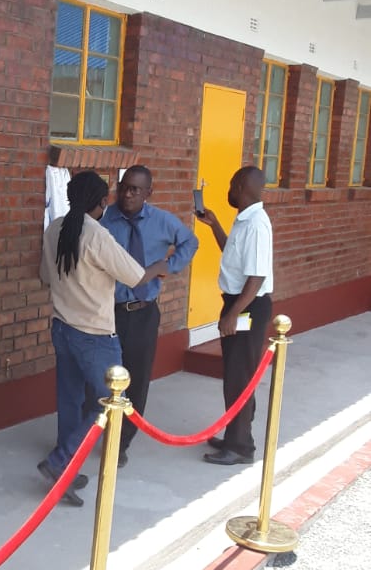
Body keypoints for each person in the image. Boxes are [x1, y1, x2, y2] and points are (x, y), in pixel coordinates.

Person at [38, 170, 168, 506]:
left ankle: (64, 466)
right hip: (95, 334)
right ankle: (60, 462)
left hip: (62, 328)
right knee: (110, 402)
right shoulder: (97, 235)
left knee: (69, 399)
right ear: (101, 202)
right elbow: (136, 277)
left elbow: (44, 276)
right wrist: (159, 266)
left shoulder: (55, 228)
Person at [101, 165, 198, 467]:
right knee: (104, 376)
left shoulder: (162, 221)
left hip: (143, 313)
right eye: (124, 187)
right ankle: (99, 431)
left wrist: (163, 267)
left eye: (135, 189)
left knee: (137, 377)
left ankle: (122, 441)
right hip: (109, 312)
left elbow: (190, 242)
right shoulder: (105, 220)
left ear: (147, 193)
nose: (127, 194)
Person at [196, 166, 273, 466]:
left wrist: (233, 314)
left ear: (241, 185)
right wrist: (214, 224)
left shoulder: (256, 225)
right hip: (239, 303)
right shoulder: (245, 220)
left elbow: (256, 277)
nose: (228, 190)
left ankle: (241, 448)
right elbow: (233, 254)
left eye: (230, 184)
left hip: (248, 307)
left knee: (240, 378)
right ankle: (234, 436)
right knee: (234, 375)